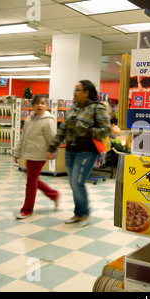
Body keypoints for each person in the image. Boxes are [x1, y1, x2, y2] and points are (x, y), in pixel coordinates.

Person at [46, 80, 111, 227]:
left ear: (86, 93)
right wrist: (52, 146)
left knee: (77, 183)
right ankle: (78, 213)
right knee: (73, 183)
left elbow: (106, 129)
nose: (74, 93)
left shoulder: (97, 108)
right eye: (74, 90)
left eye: (77, 90)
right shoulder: (73, 108)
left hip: (87, 151)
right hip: (70, 151)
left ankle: (84, 214)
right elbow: (62, 130)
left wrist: (89, 132)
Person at [14, 95, 59, 219]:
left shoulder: (48, 120)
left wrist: (52, 152)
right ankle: (53, 194)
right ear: (32, 106)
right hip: (29, 154)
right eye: (37, 103)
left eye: (43, 103)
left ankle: (27, 209)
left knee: (30, 182)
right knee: (32, 179)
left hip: (39, 155)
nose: (40, 105)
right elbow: (23, 138)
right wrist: (17, 153)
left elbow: (53, 139)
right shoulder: (29, 119)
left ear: (46, 106)